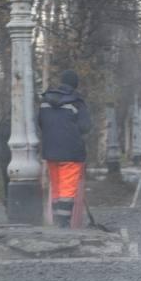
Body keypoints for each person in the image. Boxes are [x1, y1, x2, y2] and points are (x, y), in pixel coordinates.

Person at [37, 70, 92, 228]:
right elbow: (86, 126)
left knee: (56, 187)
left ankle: (56, 221)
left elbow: (41, 123)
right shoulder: (76, 102)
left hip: (51, 151)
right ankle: (63, 224)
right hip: (71, 152)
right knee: (67, 189)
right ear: (75, 85)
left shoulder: (45, 101)